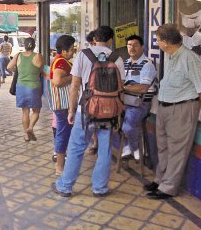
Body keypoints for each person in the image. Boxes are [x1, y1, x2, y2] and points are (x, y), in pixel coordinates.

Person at [52, 26, 125, 197]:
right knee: (105, 149)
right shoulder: (118, 58)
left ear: (94, 38)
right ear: (110, 40)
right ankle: (100, 188)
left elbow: (75, 86)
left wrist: (71, 110)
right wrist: (120, 113)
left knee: (77, 147)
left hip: (86, 110)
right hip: (109, 111)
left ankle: (65, 186)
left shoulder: (83, 55)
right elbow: (121, 89)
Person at [145, 24, 201, 199]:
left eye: (158, 40)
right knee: (163, 147)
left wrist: (191, 111)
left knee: (177, 150)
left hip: (182, 109)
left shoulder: (189, 58)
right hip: (165, 108)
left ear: (165, 42)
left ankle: (168, 187)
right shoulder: (172, 56)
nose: (157, 43)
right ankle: (159, 180)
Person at [117, 35, 157, 161]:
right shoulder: (125, 63)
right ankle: (128, 146)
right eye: (129, 45)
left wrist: (123, 87)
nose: (132, 48)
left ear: (142, 47)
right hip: (125, 102)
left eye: (135, 45)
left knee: (127, 127)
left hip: (140, 103)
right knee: (110, 124)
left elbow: (143, 88)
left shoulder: (147, 65)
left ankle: (135, 147)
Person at [8, 37, 44, 142]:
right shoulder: (38, 56)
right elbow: (41, 70)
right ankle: (30, 128)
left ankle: (26, 135)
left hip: (21, 87)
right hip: (34, 87)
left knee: (25, 112)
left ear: (24, 45)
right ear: (34, 45)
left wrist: (17, 69)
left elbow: (9, 67)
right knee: (36, 111)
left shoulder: (18, 55)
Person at [50, 35, 76, 175]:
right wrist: (75, 76)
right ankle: (60, 166)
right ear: (64, 51)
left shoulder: (60, 61)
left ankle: (62, 164)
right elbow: (58, 81)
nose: (73, 52)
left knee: (63, 133)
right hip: (63, 104)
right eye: (71, 50)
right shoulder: (61, 62)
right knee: (63, 134)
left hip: (62, 105)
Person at [85, 30, 99, 155]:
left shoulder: (83, 54)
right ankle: (96, 142)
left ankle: (96, 143)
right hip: (91, 93)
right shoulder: (86, 55)